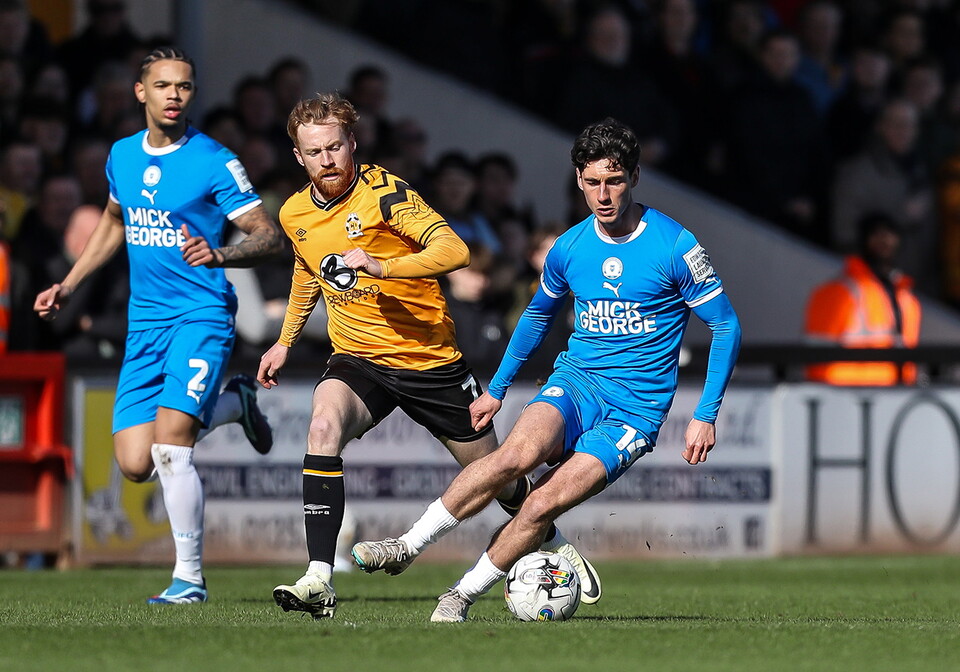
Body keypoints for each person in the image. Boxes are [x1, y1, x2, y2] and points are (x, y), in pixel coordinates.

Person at [351, 118, 742, 622]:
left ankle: (460, 596)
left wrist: (705, 413)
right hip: (575, 383)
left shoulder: (674, 246)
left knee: (540, 504)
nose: (604, 194)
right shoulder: (569, 247)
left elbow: (726, 326)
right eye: (594, 181)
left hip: (634, 412)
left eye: (615, 180)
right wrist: (496, 389)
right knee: (514, 456)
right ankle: (406, 546)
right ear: (578, 180)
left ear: (635, 177)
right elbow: (538, 314)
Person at [256, 92, 596, 620]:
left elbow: (453, 251)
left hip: (429, 360)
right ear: (298, 157)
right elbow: (307, 271)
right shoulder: (294, 211)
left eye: (336, 146)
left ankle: (553, 544)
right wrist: (285, 340)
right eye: (314, 151)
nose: (327, 160)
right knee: (323, 425)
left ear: (353, 143)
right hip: (358, 357)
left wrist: (379, 265)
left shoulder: (385, 193)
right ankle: (318, 579)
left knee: (497, 476)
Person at [33, 46, 283, 604]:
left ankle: (188, 579)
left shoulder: (214, 159)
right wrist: (68, 286)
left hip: (201, 315)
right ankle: (235, 403)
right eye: (165, 85)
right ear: (140, 92)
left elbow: (269, 237)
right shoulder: (121, 156)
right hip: (145, 324)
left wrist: (219, 255)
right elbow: (112, 223)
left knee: (172, 447)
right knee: (134, 463)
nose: (176, 95)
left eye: (186, 87)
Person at [805, 213, 921, 386]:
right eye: (876, 234)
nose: (884, 241)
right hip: (848, 399)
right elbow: (818, 359)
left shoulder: (907, 300)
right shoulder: (838, 292)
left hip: (893, 397)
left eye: (890, 234)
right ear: (863, 239)